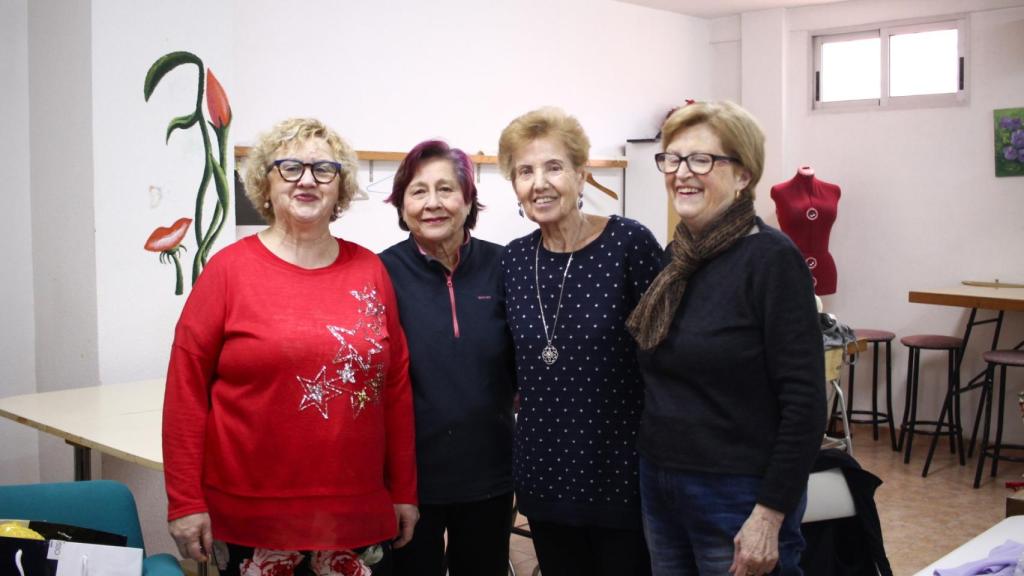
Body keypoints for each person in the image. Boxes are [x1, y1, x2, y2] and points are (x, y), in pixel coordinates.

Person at [163, 117, 418, 576]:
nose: (307, 179)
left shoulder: (370, 272)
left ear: (339, 188)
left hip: (354, 519)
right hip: (251, 522)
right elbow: (185, 393)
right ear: (266, 180)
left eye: (324, 169)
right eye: (290, 166)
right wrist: (185, 500)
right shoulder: (226, 273)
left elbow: (395, 391)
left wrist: (403, 492)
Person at [627, 100, 826, 576]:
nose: (681, 173)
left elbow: (805, 401)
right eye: (672, 158)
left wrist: (770, 513)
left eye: (702, 159)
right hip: (662, 479)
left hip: (738, 492)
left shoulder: (771, 260)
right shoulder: (677, 258)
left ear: (743, 175)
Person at [497, 107, 663, 576]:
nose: (539, 183)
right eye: (525, 171)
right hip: (545, 475)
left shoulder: (629, 245)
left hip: (619, 472)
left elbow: (665, 355)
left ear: (581, 174)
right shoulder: (512, 261)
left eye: (553, 167)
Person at [379, 140, 516, 576]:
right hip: (410, 480)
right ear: (401, 206)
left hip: (491, 472)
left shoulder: (506, 265)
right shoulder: (380, 272)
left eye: (446, 189)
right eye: (418, 192)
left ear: (468, 199)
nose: (432, 203)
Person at [770, 167, 841, 295]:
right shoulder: (779, 191)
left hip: (824, 267)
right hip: (791, 267)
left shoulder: (833, 190)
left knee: (818, 314)